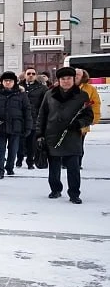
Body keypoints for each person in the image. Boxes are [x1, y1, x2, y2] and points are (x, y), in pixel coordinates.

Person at [36, 66, 93, 204]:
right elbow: (42, 115)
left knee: (73, 167)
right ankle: (55, 189)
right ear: (59, 80)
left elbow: (88, 116)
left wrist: (78, 123)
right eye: (63, 79)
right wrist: (39, 134)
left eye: (68, 78)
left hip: (72, 135)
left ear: (74, 80)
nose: (66, 81)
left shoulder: (82, 95)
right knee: (54, 166)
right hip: (52, 134)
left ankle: (74, 193)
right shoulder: (49, 94)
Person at [0, 71, 32, 179]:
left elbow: (27, 111)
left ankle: (9, 167)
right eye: (5, 81)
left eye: (10, 81)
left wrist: (28, 127)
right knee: (0, 150)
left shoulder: (21, 94)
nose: (8, 82)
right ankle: (0, 170)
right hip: (0, 125)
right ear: (2, 82)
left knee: (13, 149)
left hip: (16, 125)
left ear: (15, 82)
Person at [17, 68, 48, 169]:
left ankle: (30, 162)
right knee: (20, 141)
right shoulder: (18, 87)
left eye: (33, 74)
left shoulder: (42, 88)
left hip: (34, 117)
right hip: (20, 117)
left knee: (31, 142)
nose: (31, 75)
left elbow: (45, 103)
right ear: (25, 75)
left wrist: (41, 115)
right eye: (29, 73)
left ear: (36, 75)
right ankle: (19, 158)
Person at [74, 68, 101, 168]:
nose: (76, 76)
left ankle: (78, 163)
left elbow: (96, 103)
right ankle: (65, 162)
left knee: (79, 144)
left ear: (83, 76)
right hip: (66, 122)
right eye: (74, 74)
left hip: (82, 122)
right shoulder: (65, 86)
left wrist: (94, 118)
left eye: (78, 74)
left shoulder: (90, 89)